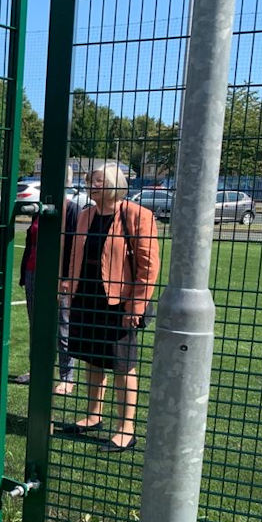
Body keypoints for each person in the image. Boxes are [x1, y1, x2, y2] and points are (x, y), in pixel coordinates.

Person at [62, 162, 159, 452]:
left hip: (119, 303)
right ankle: (94, 415)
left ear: (116, 184)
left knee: (122, 366)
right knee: (92, 359)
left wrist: (136, 306)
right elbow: (74, 250)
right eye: (91, 180)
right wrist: (68, 282)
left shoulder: (137, 215)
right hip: (87, 297)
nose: (92, 185)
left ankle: (125, 429)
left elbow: (148, 266)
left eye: (99, 181)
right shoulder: (84, 215)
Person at [16, 165, 81, 394]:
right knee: (37, 325)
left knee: (62, 326)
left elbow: (74, 249)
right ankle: (38, 370)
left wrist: (66, 279)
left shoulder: (72, 211)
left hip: (59, 279)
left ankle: (67, 377)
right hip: (34, 274)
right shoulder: (39, 209)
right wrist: (25, 273)